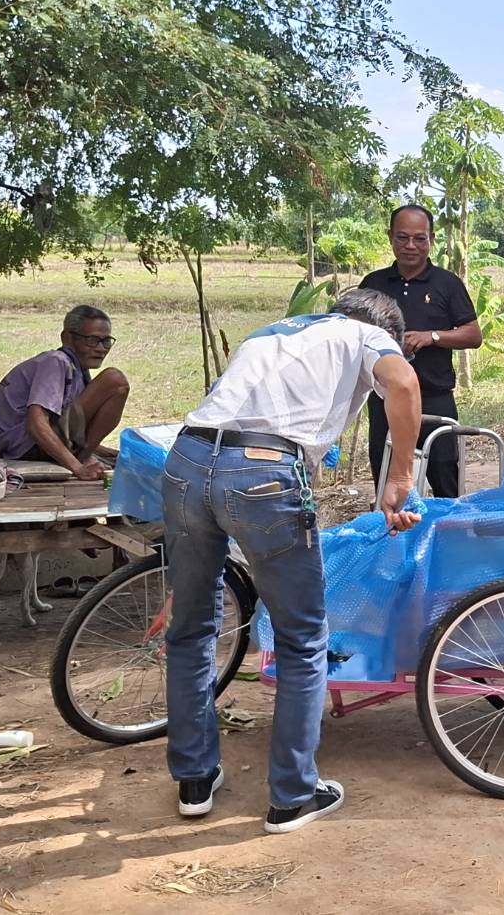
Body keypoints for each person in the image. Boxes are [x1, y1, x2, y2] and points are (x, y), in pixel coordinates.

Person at [164, 288, 422, 834]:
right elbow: (402, 382)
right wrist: (400, 476)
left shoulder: (275, 332)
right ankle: (292, 795)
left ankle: (194, 779)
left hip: (186, 459)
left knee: (191, 627)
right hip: (261, 469)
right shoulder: (366, 334)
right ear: (388, 332)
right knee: (302, 636)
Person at [360, 204, 483, 497]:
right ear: (390, 237)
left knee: (445, 479)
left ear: (432, 239)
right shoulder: (373, 284)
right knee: (387, 482)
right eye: (402, 238)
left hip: (435, 397)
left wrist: (433, 337)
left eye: (419, 238)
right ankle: (393, 526)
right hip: (385, 399)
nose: (410, 246)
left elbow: (473, 334)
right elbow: (353, 335)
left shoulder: (447, 283)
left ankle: (449, 526)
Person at [0, 304, 130, 480]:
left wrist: (109, 452)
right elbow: (36, 424)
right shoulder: (56, 361)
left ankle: (85, 455)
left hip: (27, 445)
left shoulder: (78, 370)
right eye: (92, 340)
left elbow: (69, 424)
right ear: (67, 338)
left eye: (106, 341)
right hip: (25, 447)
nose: (101, 348)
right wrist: (78, 468)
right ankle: (82, 458)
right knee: (115, 380)